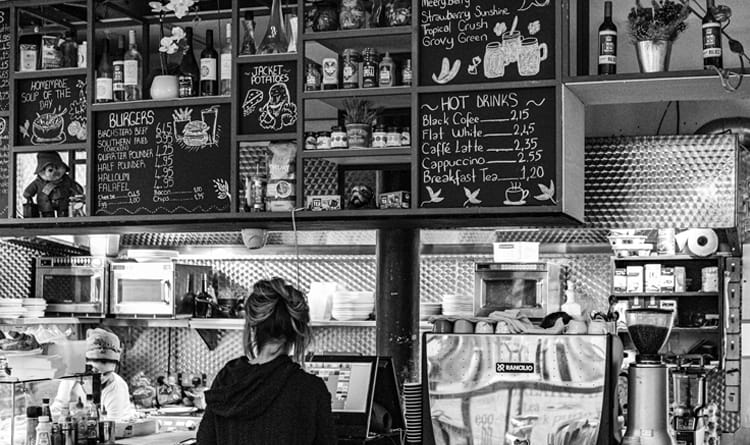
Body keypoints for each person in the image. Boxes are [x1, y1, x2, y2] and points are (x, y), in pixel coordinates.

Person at [196, 277, 336, 445]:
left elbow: (204, 440)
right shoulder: (311, 390)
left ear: (252, 326)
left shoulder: (227, 380)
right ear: (298, 332)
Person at [53, 328, 136, 421]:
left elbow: (112, 425)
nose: (101, 378)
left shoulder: (117, 387)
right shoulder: (71, 379)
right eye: (95, 371)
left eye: (107, 373)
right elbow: (57, 408)